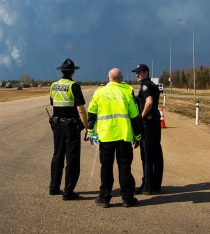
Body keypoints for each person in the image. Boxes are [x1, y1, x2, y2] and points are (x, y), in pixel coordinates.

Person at [87, 68, 143, 208]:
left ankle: (104, 198)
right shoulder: (126, 92)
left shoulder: (99, 93)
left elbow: (91, 115)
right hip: (124, 137)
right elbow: (135, 117)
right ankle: (127, 199)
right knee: (125, 168)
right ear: (121, 78)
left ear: (108, 78)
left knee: (105, 167)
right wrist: (138, 136)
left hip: (105, 138)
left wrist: (91, 134)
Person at [49, 58, 88, 200]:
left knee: (57, 155)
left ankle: (54, 187)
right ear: (72, 72)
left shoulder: (53, 86)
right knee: (71, 158)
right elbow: (81, 110)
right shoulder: (74, 86)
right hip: (71, 127)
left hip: (57, 125)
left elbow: (53, 106)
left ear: (61, 71)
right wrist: (86, 127)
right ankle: (68, 191)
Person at [132, 63, 164, 194]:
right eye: (136, 72)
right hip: (154, 123)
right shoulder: (152, 85)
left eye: (139, 72)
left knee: (147, 156)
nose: (137, 74)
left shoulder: (145, 86)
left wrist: (141, 116)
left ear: (146, 72)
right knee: (156, 154)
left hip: (149, 125)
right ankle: (155, 185)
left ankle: (147, 187)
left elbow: (149, 102)